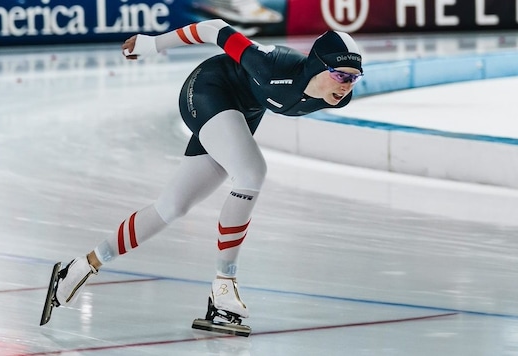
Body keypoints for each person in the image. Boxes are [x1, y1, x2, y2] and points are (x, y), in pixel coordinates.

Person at [45, 19, 363, 333]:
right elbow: (215, 28)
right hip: (208, 89)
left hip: (241, 112)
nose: (346, 85)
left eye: (354, 78)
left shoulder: (338, 96)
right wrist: (154, 44)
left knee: (171, 207)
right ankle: (225, 283)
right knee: (252, 172)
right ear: (315, 64)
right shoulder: (271, 66)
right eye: (340, 75)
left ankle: (81, 266)